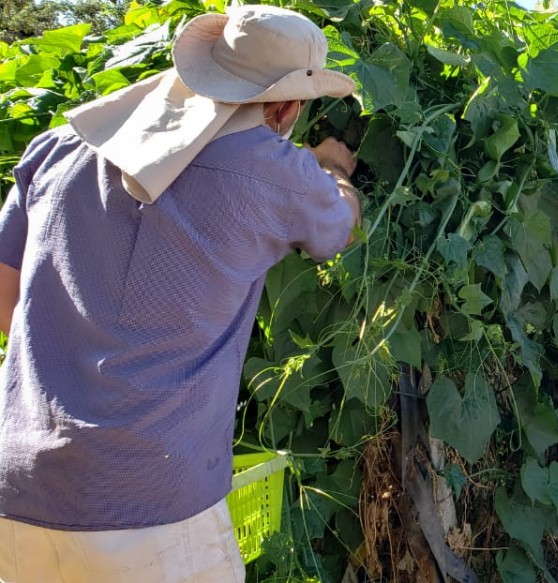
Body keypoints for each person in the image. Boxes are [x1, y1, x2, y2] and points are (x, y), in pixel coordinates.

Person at [0, 6, 361, 582]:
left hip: (19, 483)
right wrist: (334, 172)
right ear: (286, 108)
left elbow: (5, 293)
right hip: (152, 497)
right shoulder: (279, 173)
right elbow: (340, 228)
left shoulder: (61, 146)